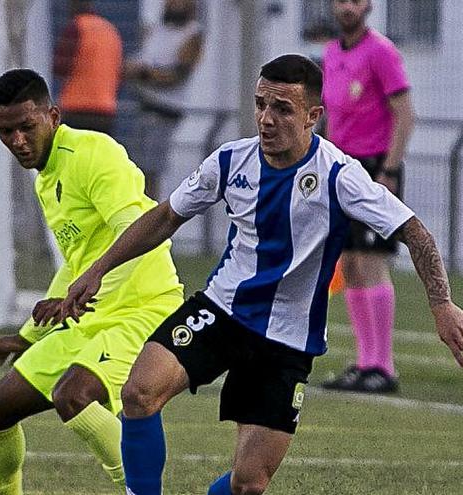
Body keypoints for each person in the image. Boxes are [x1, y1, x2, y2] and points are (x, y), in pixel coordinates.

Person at [56, 54, 463, 495]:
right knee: (138, 394)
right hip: (222, 311)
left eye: (282, 109)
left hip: (288, 339)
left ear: (312, 116)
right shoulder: (230, 161)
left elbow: (416, 233)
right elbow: (164, 217)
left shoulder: (340, 176)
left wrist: (441, 306)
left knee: (248, 485)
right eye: (260, 105)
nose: (266, 119)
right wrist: (98, 269)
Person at [0, 68, 185, 494]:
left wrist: (92, 278)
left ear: (52, 116)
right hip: (92, 313)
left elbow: (137, 225)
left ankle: (140, 490)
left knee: (74, 395)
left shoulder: (94, 153)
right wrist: (28, 336)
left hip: (143, 309)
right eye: (6, 131)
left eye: (26, 127)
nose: (17, 141)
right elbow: (79, 260)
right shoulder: (47, 177)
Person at [321, 0, 416, 393]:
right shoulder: (330, 52)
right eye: (341, 0)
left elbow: (405, 113)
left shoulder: (381, 51)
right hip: (342, 167)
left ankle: (384, 365)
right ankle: (364, 362)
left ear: (369, 6)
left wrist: (389, 170)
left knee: (373, 260)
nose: (348, 7)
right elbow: (328, 114)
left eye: (355, 0)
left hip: (375, 166)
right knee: (352, 264)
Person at [125, 0, 203, 199]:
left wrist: (145, 74)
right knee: (135, 168)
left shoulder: (192, 34)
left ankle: (151, 217)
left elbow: (177, 75)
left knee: (152, 170)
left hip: (164, 111)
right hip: (142, 105)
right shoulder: (156, 30)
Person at [52, 0, 123, 135]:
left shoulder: (76, 27)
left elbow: (60, 67)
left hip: (76, 108)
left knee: (73, 154)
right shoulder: (111, 31)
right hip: (106, 110)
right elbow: (119, 72)